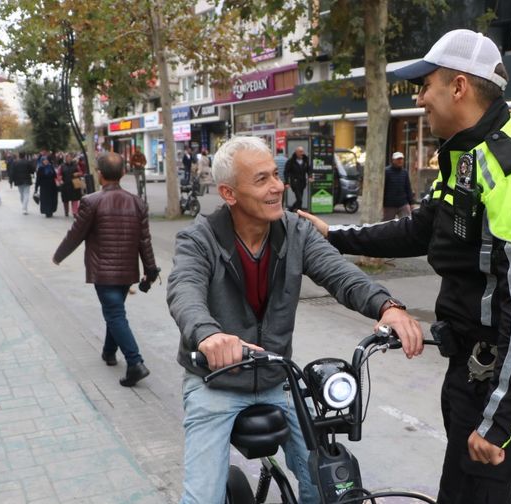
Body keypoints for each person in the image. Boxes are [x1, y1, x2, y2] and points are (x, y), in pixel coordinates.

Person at [299, 29, 511, 504]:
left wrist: (500, 421)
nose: (421, 97)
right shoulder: (466, 155)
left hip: (497, 374)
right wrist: (336, 236)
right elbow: (420, 229)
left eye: (425, 85)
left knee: (475, 494)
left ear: (459, 87)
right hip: (467, 363)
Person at [167, 136, 423, 504]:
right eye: (261, 180)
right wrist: (208, 336)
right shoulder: (199, 238)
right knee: (203, 498)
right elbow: (184, 290)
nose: (277, 187)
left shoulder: (297, 232)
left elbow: (340, 274)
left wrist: (387, 307)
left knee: (326, 484)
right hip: (215, 382)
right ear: (229, 193)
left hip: (277, 377)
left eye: (276, 175)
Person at [53, 153, 159, 386]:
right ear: (123, 173)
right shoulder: (137, 202)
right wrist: (150, 270)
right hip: (127, 272)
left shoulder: (91, 201)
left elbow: (76, 234)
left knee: (114, 314)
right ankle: (109, 353)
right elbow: (145, 241)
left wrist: (58, 256)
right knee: (116, 310)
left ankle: (135, 363)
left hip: (103, 271)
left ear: (99, 175)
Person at [383, 151, 415, 220]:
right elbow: (383, 189)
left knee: (407, 222)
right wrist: (382, 205)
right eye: (398, 159)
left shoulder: (404, 172)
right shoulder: (386, 172)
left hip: (403, 203)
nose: (400, 161)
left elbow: (408, 188)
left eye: (401, 159)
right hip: (390, 205)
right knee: (387, 224)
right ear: (393, 160)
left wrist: (411, 203)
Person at [284, 146, 312, 211]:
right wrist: (287, 182)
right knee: (299, 199)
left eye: (302, 151)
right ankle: (292, 210)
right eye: (300, 152)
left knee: (300, 199)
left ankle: (296, 211)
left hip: (302, 182)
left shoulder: (305, 160)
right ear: (296, 152)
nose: (302, 153)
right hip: (295, 182)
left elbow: (309, 169)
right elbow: (286, 172)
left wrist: (310, 176)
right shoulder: (291, 161)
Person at [59, 153, 85, 218]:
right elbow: (59, 174)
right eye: (67, 157)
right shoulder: (62, 166)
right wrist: (60, 180)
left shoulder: (76, 165)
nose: (68, 158)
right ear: (65, 158)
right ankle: (66, 211)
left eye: (70, 157)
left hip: (75, 184)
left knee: (75, 199)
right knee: (65, 199)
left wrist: (78, 174)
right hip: (65, 184)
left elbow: (81, 173)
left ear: (71, 158)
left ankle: (75, 212)